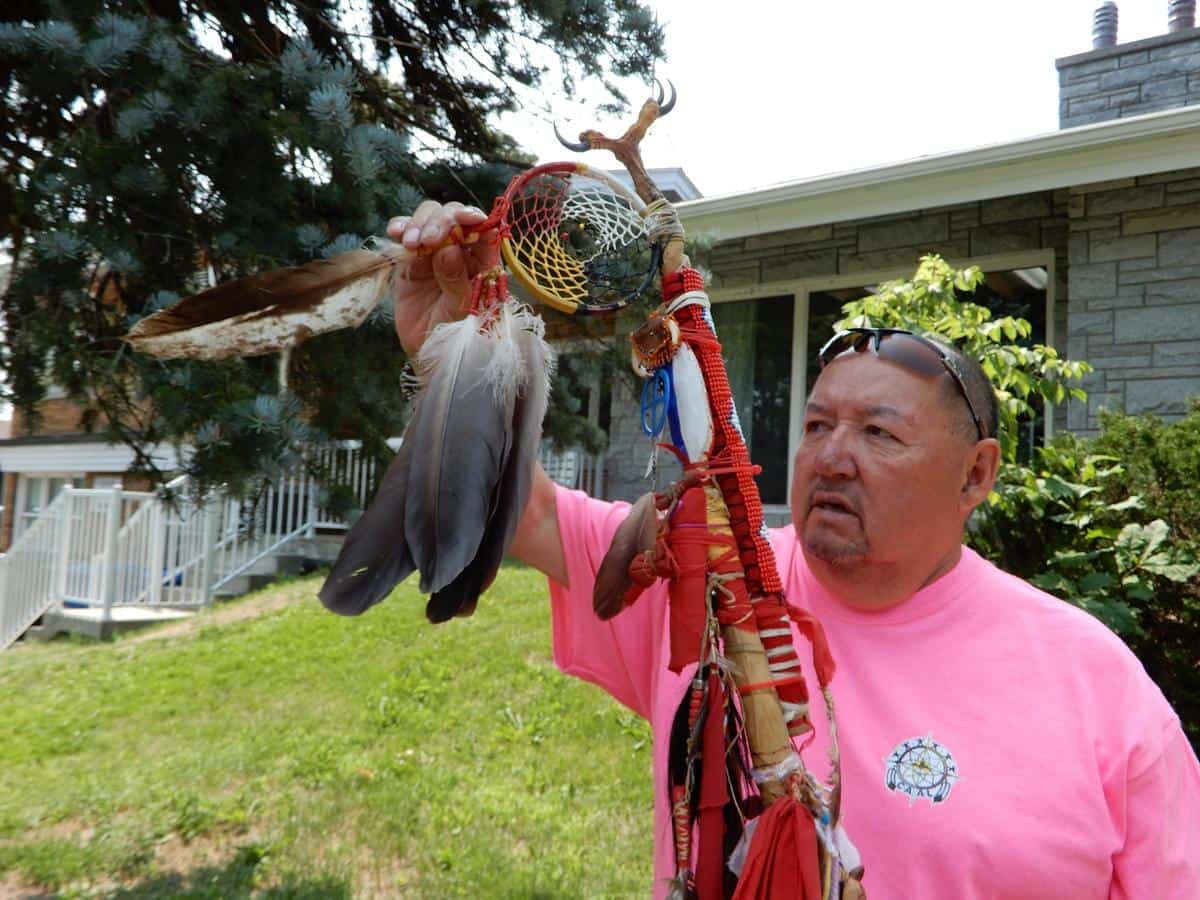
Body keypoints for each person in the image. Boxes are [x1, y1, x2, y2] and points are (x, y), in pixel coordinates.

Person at [387, 202, 1200, 899]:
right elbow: (521, 509)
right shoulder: (702, 575)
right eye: (816, 426)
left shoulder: (1096, 686)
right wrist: (452, 350)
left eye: (879, 432)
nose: (830, 456)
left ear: (976, 475)